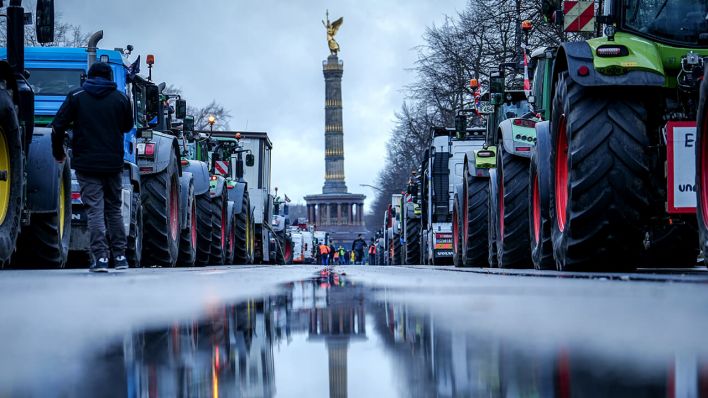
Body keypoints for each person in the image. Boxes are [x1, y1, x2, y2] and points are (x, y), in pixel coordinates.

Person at [51, 62, 133, 273]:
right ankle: (121, 257)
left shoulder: (77, 96)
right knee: (114, 209)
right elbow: (127, 126)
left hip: (86, 164)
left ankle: (101, 259)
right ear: (109, 77)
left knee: (95, 210)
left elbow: (58, 125)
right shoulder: (121, 98)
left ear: (89, 76)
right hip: (113, 163)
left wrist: (58, 151)